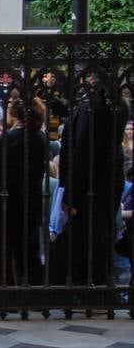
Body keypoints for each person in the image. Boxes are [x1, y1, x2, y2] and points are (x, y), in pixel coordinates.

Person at [52, 77, 128, 286]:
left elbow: (84, 151)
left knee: (91, 239)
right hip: (96, 185)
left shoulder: (102, 107)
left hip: (92, 187)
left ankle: (93, 290)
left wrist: (71, 196)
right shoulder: (95, 105)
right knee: (91, 237)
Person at [0, 97, 49, 286]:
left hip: (5, 203)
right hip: (30, 201)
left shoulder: (8, 139)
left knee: (2, 252)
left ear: (12, 114)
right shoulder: (40, 138)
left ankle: (5, 292)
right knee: (28, 251)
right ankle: (32, 292)